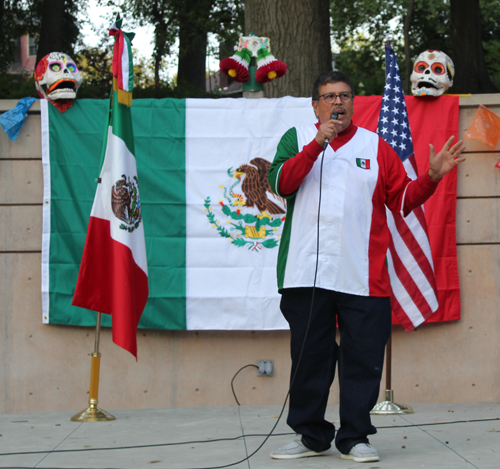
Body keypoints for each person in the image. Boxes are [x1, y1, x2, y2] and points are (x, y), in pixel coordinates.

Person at [267, 71, 466, 463]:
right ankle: (311, 436)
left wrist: (432, 176)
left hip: (363, 275)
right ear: (315, 105)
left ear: (354, 102)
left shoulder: (376, 147)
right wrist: (317, 143)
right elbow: (282, 183)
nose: (337, 103)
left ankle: (355, 437)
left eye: (344, 96)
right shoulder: (296, 138)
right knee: (310, 359)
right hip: (305, 274)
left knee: (363, 360)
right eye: (328, 97)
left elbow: (403, 200)